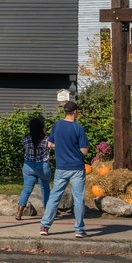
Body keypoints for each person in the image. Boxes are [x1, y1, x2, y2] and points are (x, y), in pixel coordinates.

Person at [40, 101, 89, 238]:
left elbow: (49, 144)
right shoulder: (79, 128)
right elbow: (84, 151)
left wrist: (60, 146)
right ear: (75, 112)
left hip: (61, 167)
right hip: (77, 168)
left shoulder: (57, 125)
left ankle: (45, 226)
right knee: (78, 199)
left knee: (54, 196)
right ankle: (79, 229)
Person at [16, 118, 51, 221]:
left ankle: (19, 212)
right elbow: (51, 144)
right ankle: (47, 213)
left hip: (28, 166)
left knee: (26, 189)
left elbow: (25, 144)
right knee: (45, 190)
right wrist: (44, 132)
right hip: (42, 166)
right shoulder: (46, 139)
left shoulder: (26, 138)